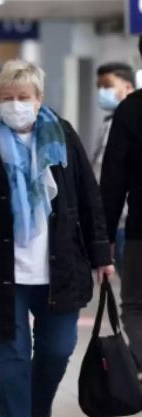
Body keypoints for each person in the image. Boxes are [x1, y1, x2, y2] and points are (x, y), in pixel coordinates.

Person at [0, 60, 113, 417]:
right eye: (7, 98)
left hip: (59, 266)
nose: (15, 105)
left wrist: (101, 254)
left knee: (57, 349)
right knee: (11, 358)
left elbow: (89, 199)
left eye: (23, 97)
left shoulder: (63, 138)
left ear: (39, 98)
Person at [102, 38, 142, 369]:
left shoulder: (130, 109)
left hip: (141, 232)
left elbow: (113, 182)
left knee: (136, 306)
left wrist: (101, 241)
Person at [94, 62, 135, 277]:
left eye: (108, 85)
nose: (102, 92)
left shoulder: (129, 120)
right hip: (116, 221)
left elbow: (115, 179)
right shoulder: (109, 122)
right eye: (99, 86)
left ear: (128, 87)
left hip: (125, 221)